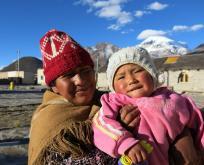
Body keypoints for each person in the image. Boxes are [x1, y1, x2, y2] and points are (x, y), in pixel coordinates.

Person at [28, 29, 140, 165]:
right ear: (54, 86)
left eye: (86, 71)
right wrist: (117, 131)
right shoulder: (49, 121)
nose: (80, 80)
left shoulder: (111, 101)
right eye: (68, 75)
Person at [92, 47, 204, 164]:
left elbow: (199, 123)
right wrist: (125, 143)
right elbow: (101, 125)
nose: (131, 80)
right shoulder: (113, 101)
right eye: (121, 77)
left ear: (152, 74)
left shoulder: (173, 99)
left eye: (137, 71)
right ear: (113, 86)